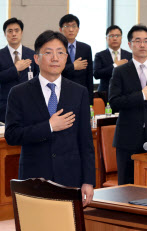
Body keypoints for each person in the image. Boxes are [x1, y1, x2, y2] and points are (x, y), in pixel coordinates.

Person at [5, 30, 95, 206]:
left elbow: (86, 141)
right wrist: (49, 126)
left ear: (66, 57)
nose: (55, 58)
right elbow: (12, 135)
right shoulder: (19, 93)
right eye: (48, 52)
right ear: (37, 58)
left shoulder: (79, 92)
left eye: (60, 52)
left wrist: (88, 181)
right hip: (33, 178)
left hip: (70, 178)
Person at [108, 24, 147, 185]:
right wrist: (141, 95)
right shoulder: (120, 71)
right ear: (129, 45)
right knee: (127, 184)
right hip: (128, 137)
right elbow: (114, 102)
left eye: (146, 41)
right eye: (137, 41)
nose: (142, 45)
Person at [0, 17, 39, 123]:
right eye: (10, 31)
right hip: (5, 107)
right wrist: (15, 69)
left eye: (17, 30)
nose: (13, 34)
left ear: (21, 33)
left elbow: (38, 78)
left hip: (28, 105)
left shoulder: (32, 54)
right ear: (5, 34)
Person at [59, 14, 93, 105]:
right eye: (67, 26)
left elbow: (89, 76)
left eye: (74, 26)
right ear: (60, 29)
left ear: (78, 29)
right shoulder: (57, 48)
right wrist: (73, 66)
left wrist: (90, 102)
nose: (71, 29)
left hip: (81, 92)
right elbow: (56, 70)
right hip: (62, 91)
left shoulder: (86, 48)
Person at [93, 25, 132, 95]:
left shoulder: (129, 55)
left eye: (117, 36)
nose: (114, 38)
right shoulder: (99, 55)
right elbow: (96, 74)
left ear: (121, 38)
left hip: (124, 92)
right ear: (106, 38)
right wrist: (115, 65)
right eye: (111, 36)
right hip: (105, 92)